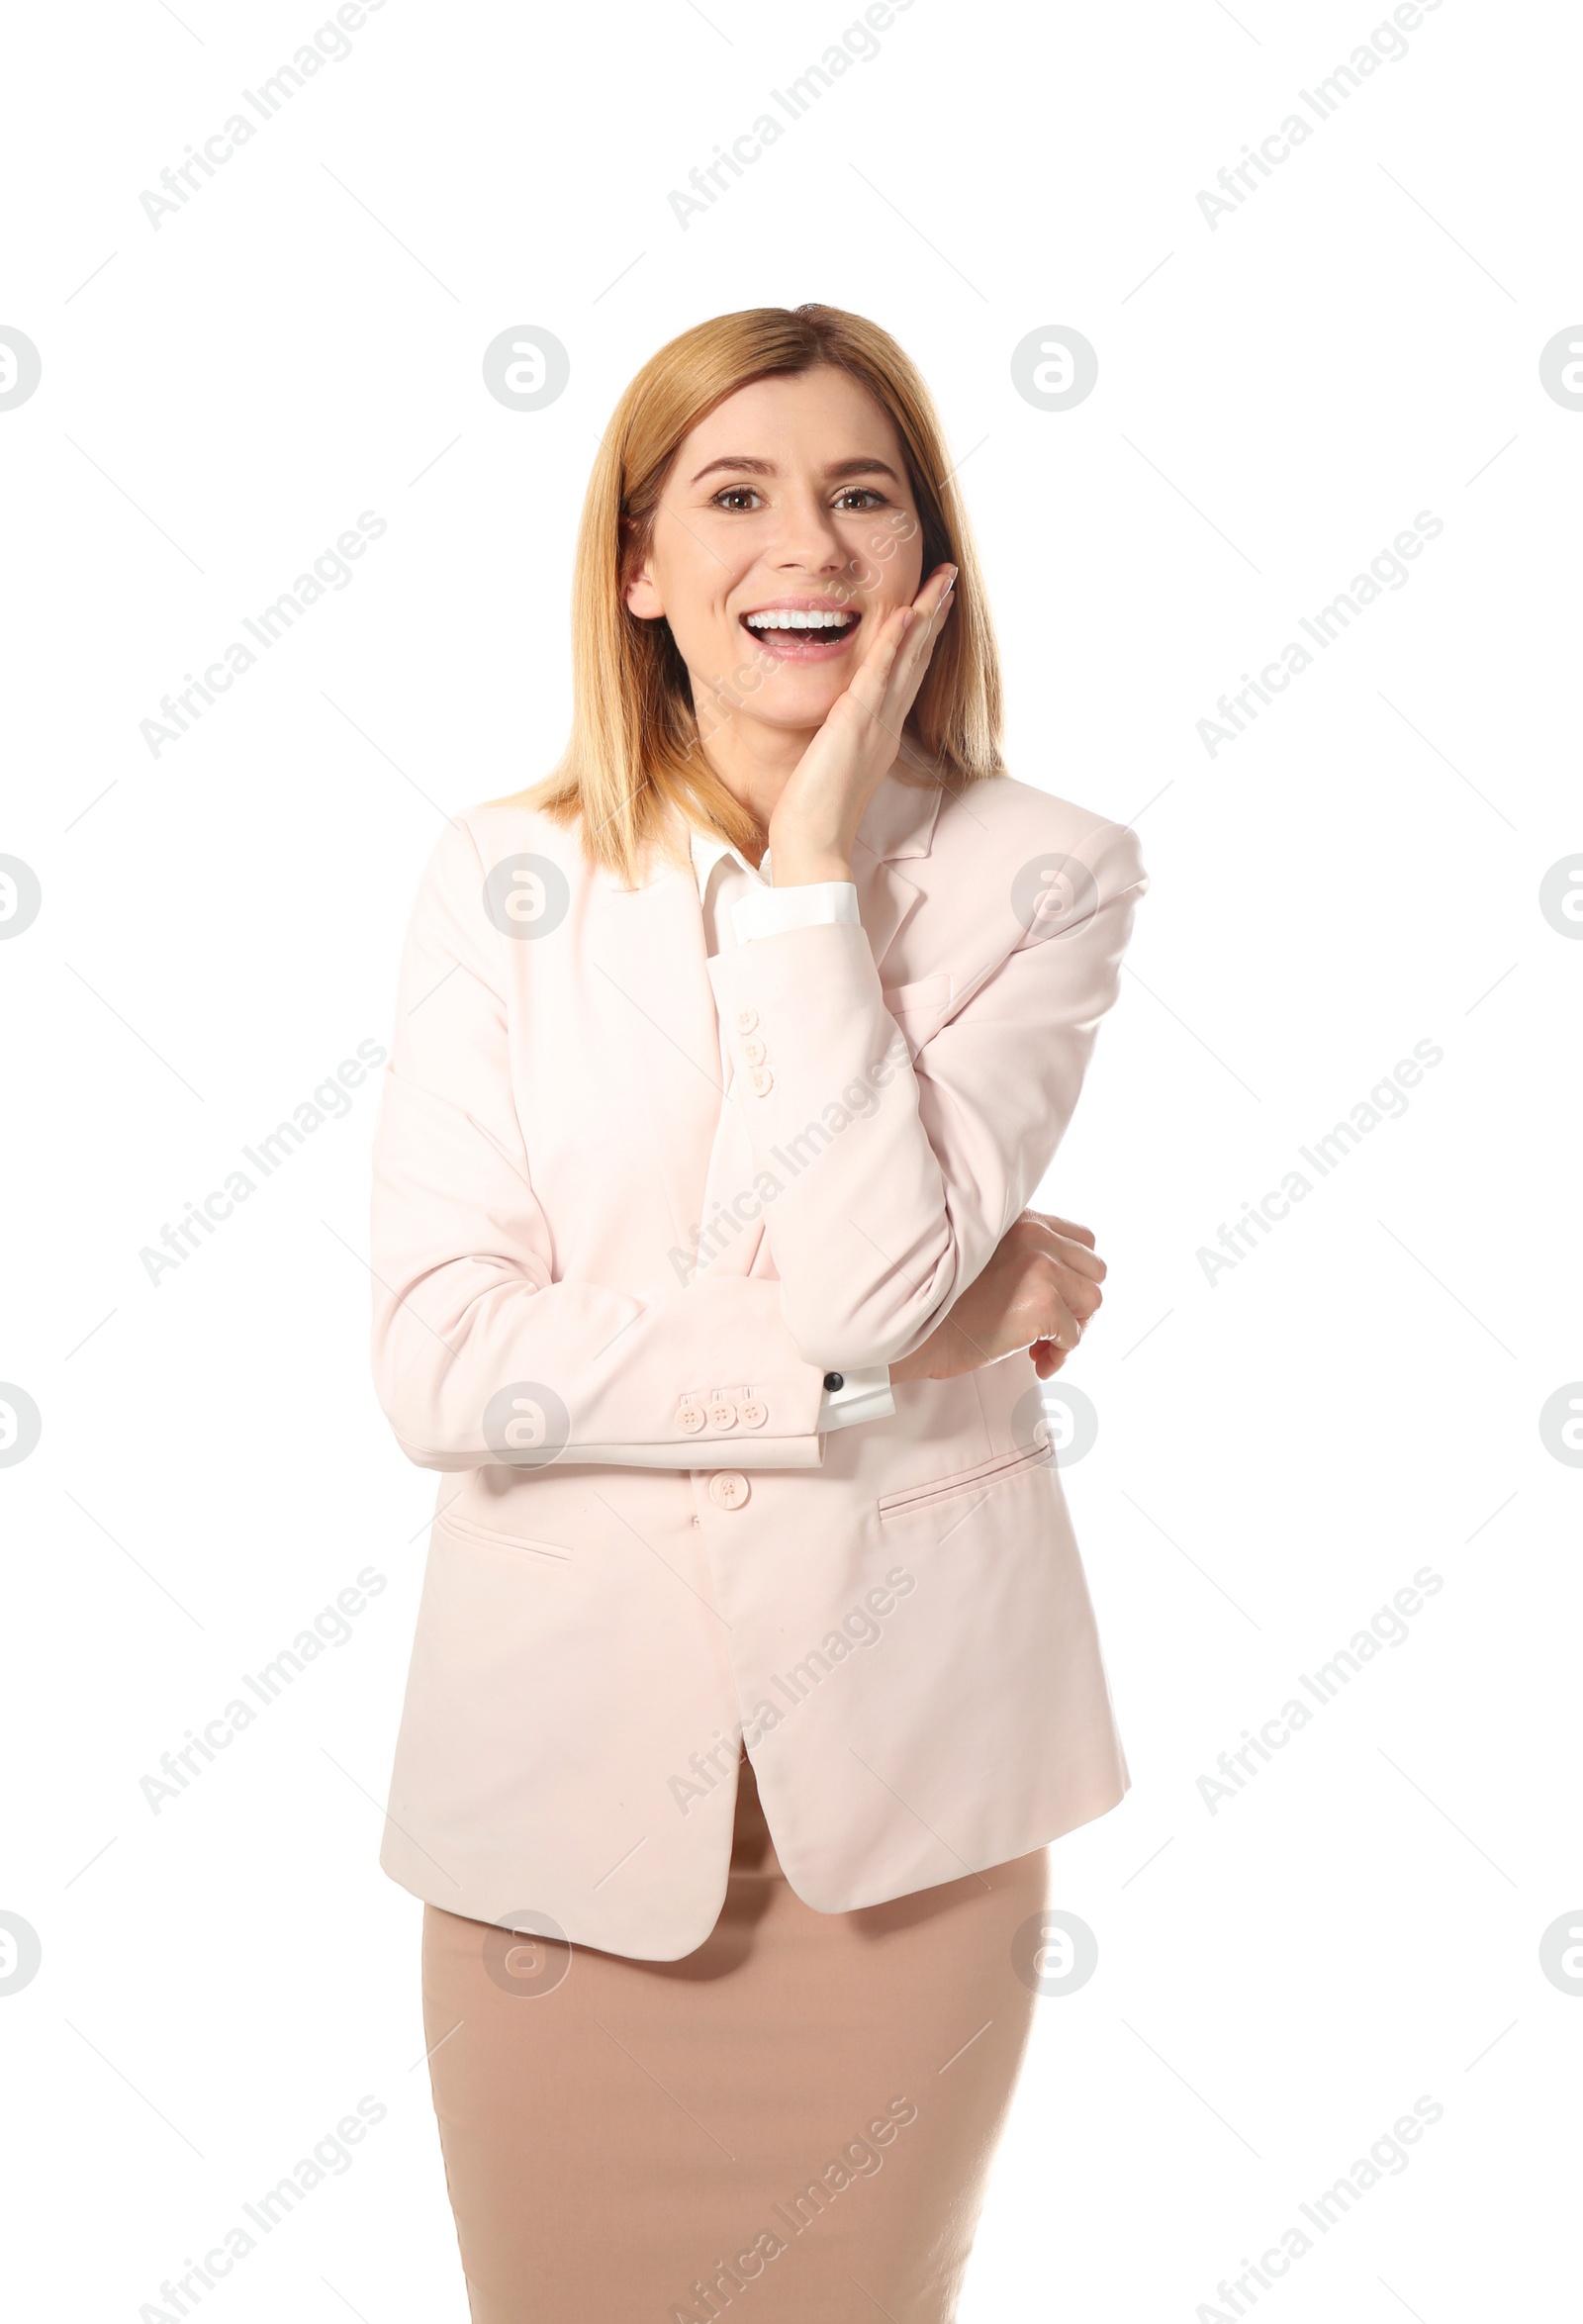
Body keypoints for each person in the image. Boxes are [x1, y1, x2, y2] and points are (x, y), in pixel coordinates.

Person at [369, 303, 1148, 2319]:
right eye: (732, 493)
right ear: (639, 566)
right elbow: (446, 1363)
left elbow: (876, 1271)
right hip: (558, 1829)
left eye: (857, 493)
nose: (800, 544)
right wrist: (886, 1348)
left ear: (922, 557)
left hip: (901, 1834)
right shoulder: (500, 876)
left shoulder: (1039, 874)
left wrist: (811, 880)